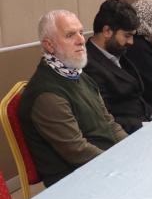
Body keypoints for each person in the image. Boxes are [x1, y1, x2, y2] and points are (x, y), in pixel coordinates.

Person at [19, 10, 127, 187]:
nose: (81, 40)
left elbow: (109, 122)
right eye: (70, 35)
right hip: (74, 180)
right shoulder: (46, 94)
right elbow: (77, 151)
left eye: (80, 32)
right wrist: (121, 164)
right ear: (49, 45)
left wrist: (131, 147)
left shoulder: (77, 74)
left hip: (103, 163)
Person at [84, 0, 152, 133]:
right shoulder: (87, 65)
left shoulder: (116, 51)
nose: (131, 42)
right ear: (107, 31)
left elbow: (136, 98)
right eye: (127, 35)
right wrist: (144, 126)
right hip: (127, 133)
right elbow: (105, 116)